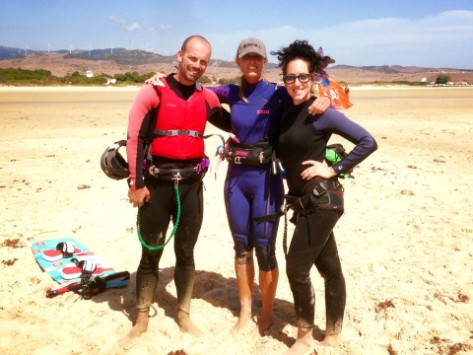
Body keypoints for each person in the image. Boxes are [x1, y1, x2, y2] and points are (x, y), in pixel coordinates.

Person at [208, 38, 330, 334]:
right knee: (241, 247)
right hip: (236, 180)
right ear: (237, 61)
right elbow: (193, 90)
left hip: (266, 180)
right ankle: (245, 310)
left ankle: (266, 312)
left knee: (265, 249)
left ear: (264, 63)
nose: (252, 62)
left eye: (257, 58)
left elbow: (312, 92)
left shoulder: (278, 94)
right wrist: (162, 80)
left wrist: (325, 97)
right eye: (246, 57)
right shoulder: (230, 92)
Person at [270, 40, 377, 354]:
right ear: (285, 80)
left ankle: (304, 337)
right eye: (291, 77)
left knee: (296, 269)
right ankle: (332, 334)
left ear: (313, 77)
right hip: (304, 203)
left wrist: (334, 169)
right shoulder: (286, 109)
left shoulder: (321, 113)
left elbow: (367, 142)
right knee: (330, 269)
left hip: (322, 201)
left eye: (304, 77)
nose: (297, 83)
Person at [126, 34, 231, 337]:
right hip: (156, 187)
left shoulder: (206, 97)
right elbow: (136, 138)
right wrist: (136, 184)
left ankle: (183, 314)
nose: (197, 65)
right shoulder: (153, 90)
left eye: (203, 61)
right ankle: (142, 317)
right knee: (151, 253)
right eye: (193, 58)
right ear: (180, 55)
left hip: (191, 188)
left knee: (186, 253)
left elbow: (239, 124)